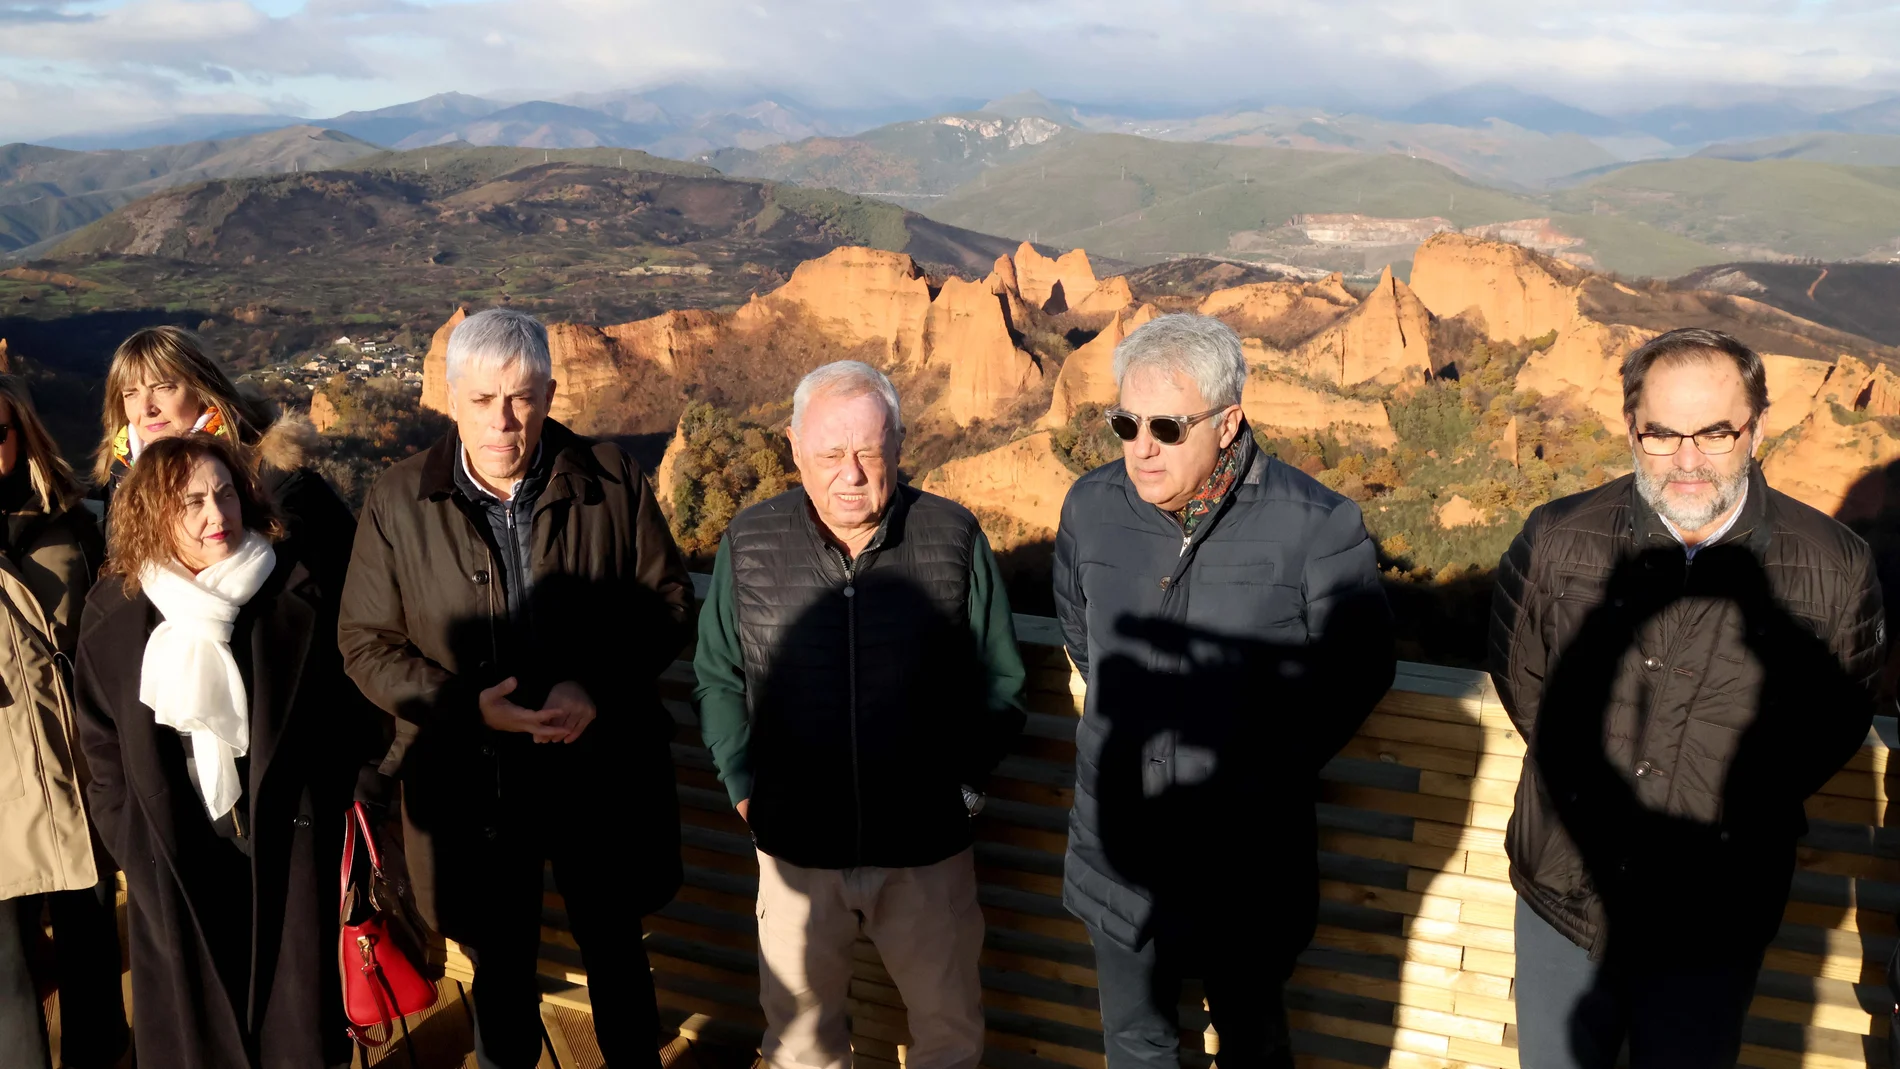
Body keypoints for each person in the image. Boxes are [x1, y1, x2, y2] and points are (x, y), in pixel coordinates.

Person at [1490, 327, 1885, 1068]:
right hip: (1565, 899)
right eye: (1663, 434)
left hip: (1715, 916)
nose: (1689, 459)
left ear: (1757, 427)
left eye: (1715, 432)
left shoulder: (1835, 569)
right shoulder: (1556, 539)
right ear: (1632, 429)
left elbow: (1831, 725)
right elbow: (1527, 689)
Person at [339, 308, 693, 1069]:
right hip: (475, 787)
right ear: (450, 397)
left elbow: (668, 600)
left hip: (601, 773)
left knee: (618, 961)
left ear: (551, 391)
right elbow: (364, 643)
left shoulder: (609, 476)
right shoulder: (399, 502)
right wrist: (467, 707)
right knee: (499, 977)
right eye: (484, 399)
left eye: (524, 396)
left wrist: (593, 685)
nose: (505, 420)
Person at [1052, 314, 1395, 1069]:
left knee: (1252, 1043)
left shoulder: (1318, 526)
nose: (1141, 446)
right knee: (1136, 1046)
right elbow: (1084, 637)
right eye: (1125, 422)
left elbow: (1359, 670)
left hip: (1248, 867)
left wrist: (1262, 765)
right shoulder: (1090, 509)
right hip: (1119, 854)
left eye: (1167, 426)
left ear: (1228, 419)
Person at [693, 359, 1027, 1069]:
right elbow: (718, 676)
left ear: (899, 446)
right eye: (829, 454)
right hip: (795, 855)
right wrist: (744, 787)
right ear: (792, 447)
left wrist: (964, 788)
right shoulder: (749, 542)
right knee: (802, 1044)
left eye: (868, 453)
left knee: (948, 1033)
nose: (850, 473)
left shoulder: (953, 536)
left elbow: (1002, 678)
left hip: (925, 852)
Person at [73, 433, 358, 1069]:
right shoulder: (112, 617)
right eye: (192, 502)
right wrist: (132, 841)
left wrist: (327, 803)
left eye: (226, 494)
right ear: (153, 515)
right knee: (196, 1019)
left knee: (293, 1021)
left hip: (285, 842)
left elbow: (339, 713)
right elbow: (102, 752)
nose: (216, 516)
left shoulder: (292, 592)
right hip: (173, 848)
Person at [0, 377, 127, 1069]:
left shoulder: (76, 519)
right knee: (8, 989)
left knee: (91, 959)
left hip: (81, 774)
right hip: (4, 792)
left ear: (19, 433)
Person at [92, 325, 356, 593]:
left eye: (163, 388)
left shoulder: (275, 478)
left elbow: (348, 579)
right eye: (130, 394)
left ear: (202, 387)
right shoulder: (122, 478)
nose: (146, 408)